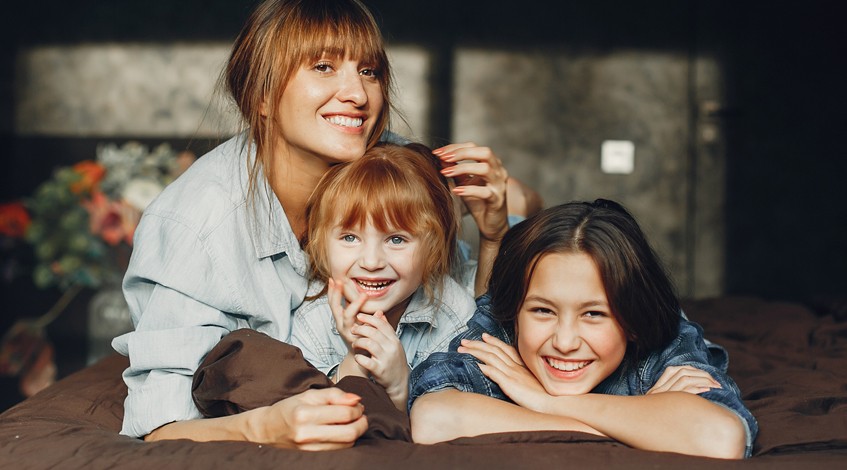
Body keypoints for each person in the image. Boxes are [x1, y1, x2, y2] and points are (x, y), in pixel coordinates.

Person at [111, 0, 510, 450]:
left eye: (370, 71)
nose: (357, 95)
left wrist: (498, 225)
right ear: (260, 97)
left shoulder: (387, 165)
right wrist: (263, 428)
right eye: (323, 66)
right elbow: (161, 428)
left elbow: (477, 296)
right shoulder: (195, 224)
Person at [407, 200, 758, 459]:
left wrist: (544, 402)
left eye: (593, 315)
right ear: (514, 313)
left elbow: (719, 437)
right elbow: (434, 417)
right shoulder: (498, 328)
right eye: (543, 310)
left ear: (632, 322)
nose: (564, 342)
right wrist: (636, 427)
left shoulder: (664, 338)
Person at [290, 143, 478, 412]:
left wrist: (401, 385)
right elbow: (314, 418)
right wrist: (355, 359)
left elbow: (444, 426)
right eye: (350, 237)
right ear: (322, 243)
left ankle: (518, 205)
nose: (371, 262)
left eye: (396, 239)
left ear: (432, 249)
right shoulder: (312, 317)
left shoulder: (454, 315)